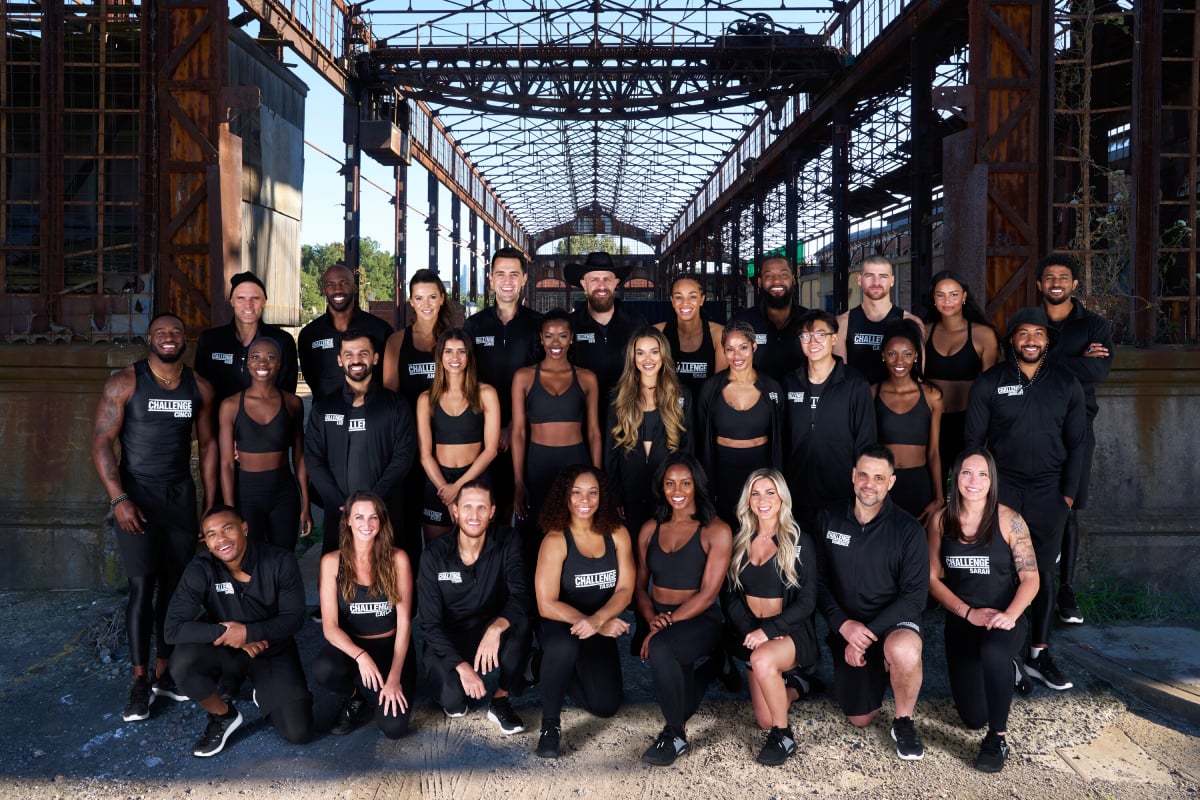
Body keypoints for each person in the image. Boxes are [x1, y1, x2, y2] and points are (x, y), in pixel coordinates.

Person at [91, 312, 218, 722]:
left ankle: (165, 672)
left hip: (179, 498)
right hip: (137, 499)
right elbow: (101, 444)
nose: (169, 337)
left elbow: (210, 446)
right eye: (161, 332)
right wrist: (119, 499)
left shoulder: (199, 387)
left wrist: (211, 503)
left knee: (176, 588)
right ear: (149, 338)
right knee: (142, 587)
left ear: (186, 340)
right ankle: (139, 680)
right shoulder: (125, 382)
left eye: (176, 332)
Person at [965, 307, 1087, 692]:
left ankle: (1039, 654)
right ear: (1011, 340)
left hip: (1049, 494)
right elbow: (972, 444)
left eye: (1038, 333)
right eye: (1023, 333)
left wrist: (1067, 497)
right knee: (1004, 573)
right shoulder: (990, 382)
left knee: (1042, 575)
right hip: (1004, 492)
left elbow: (1078, 444)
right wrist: (979, 494)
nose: (1031, 340)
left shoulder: (1066, 383)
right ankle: (1007, 656)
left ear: (1048, 340)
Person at [164, 505, 312, 757]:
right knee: (182, 662)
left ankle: (264, 689)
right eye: (211, 534)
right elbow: (173, 630)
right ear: (206, 542)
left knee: (298, 731)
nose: (220, 539)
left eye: (227, 529)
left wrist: (249, 632)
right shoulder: (201, 568)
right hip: (226, 648)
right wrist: (226, 633)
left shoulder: (279, 561)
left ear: (244, 528)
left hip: (271, 649)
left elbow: (294, 619)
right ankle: (223, 715)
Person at [926, 448, 1040, 773]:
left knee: (993, 653)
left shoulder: (1009, 520)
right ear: (955, 477)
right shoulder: (940, 519)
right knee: (973, 718)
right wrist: (966, 612)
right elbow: (931, 579)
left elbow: (1031, 578)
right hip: (962, 621)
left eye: (982, 474)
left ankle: (997, 740)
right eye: (966, 473)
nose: (973, 481)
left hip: (1003, 619)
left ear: (992, 480)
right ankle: (1009, 671)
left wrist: (1011, 615)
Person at [816, 446, 929, 760]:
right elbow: (819, 584)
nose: (869, 483)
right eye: (863, 475)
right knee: (859, 718)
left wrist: (866, 635)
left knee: (904, 651)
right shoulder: (828, 517)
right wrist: (843, 625)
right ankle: (880, 666)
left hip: (892, 625)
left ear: (890, 482)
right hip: (848, 627)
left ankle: (903, 721)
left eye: (879, 477)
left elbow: (914, 598)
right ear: (853, 476)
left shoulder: (908, 530)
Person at [635, 454, 733, 766]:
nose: (677, 490)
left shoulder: (715, 530)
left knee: (663, 650)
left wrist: (664, 626)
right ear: (661, 487)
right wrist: (652, 620)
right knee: (683, 701)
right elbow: (639, 588)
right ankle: (715, 666)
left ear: (697, 486)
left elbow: (707, 595)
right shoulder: (650, 529)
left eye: (685, 483)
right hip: (661, 620)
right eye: (670, 483)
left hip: (699, 620)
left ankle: (675, 736)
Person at [533, 466, 635, 758]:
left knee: (605, 706)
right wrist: (597, 625)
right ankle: (550, 725)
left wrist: (598, 620)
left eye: (592, 492)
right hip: (560, 622)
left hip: (596, 619)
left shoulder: (617, 534)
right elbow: (546, 604)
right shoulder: (555, 540)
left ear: (602, 497)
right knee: (564, 647)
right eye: (576, 492)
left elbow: (625, 590)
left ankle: (546, 668)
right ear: (565, 497)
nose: (585, 499)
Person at [417, 481, 533, 735]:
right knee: (453, 702)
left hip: (490, 629)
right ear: (455, 511)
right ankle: (457, 684)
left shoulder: (508, 540)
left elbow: (521, 595)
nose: (474, 515)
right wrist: (461, 666)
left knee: (521, 621)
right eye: (467, 507)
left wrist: (496, 628)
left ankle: (501, 699)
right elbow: (429, 624)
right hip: (450, 636)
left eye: (482, 508)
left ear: (492, 512)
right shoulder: (434, 556)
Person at [1036, 254, 1114, 625]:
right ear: (1039, 284)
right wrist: (1074, 360)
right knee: (1029, 508)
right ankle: (1032, 588)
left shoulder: (1094, 325)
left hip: (1077, 427)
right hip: (1031, 424)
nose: (1056, 283)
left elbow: (1098, 369)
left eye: (1063, 277)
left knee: (1068, 508)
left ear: (1074, 285)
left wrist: (1046, 359)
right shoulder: (1028, 322)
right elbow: (1015, 362)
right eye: (1049, 277)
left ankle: (1066, 592)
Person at [724, 469, 818, 767]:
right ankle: (799, 686)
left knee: (764, 663)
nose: (762, 500)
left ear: (782, 497)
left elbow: (807, 601)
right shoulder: (738, 539)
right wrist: (754, 631)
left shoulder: (798, 541)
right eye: (755, 493)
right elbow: (729, 597)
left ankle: (784, 736)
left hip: (790, 634)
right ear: (747, 499)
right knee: (764, 719)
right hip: (755, 635)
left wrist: (771, 629)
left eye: (770, 492)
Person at [304, 329, 416, 562]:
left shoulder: (395, 406)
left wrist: (372, 502)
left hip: (386, 509)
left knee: (392, 577)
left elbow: (403, 457)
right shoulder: (324, 408)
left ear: (375, 358)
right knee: (338, 578)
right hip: (340, 513)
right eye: (349, 354)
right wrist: (342, 505)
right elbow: (314, 459)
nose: (356, 360)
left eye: (363, 353)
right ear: (339, 359)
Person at [312, 492, 415, 739]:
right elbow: (330, 627)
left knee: (394, 728)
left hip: (391, 647)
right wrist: (361, 655)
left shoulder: (398, 559)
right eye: (359, 517)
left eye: (373, 518)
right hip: (353, 646)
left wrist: (394, 678)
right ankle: (355, 698)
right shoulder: (331, 562)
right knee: (324, 669)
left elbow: (404, 625)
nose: (366, 525)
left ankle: (387, 686)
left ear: (381, 521)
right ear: (347, 520)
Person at [511, 309, 602, 559]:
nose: (555, 343)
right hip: (537, 464)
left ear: (571, 338)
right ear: (540, 338)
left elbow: (594, 432)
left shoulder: (586, 378)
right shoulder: (524, 377)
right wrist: (519, 481)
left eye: (562, 336)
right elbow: (518, 432)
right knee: (534, 536)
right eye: (549, 336)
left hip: (576, 461)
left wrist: (597, 478)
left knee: (575, 532)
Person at [464, 247, 543, 519]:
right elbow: (466, 380)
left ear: (524, 279)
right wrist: (494, 427)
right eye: (500, 274)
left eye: (513, 274)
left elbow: (545, 382)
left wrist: (514, 425)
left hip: (529, 434)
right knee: (488, 511)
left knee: (525, 510)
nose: (507, 280)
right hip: (483, 435)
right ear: (490, 278)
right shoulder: (473, 326)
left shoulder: (538, 326)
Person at [782, 310, 876, 533]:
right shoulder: (789, 383)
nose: (812, 342)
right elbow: (782, 438)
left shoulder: (855, 383)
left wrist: (861, 488)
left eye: (820, 335)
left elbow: (866, 441)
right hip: (797, 493)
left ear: (834, 338)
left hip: (840, 492)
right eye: (806, 336)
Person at [218, 337, 311, 551]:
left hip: (283, 492)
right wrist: (231, 510)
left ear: (279, 363)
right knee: (251, 558)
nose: (263, 363)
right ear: (247, 362)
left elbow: (299, 456)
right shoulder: (230, 405)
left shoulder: (292, 403)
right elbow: (226, 464)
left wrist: (305, 502)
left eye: (270, 357)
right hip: (247, 494)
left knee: (284, 557)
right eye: (256, 357)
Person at [605, 326, 693, 537]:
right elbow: (611, 453)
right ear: (632, 358)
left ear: (663, 355)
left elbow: (688, 450)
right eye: (640, 352)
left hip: (669, 495)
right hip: (629, 494)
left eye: (654, 351)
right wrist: (614, 496)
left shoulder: (681, 396)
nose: (648, 359)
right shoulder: (618, 398)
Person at [694, 320, 783, 527]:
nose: (737, 356)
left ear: (754, 346)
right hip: (723, 469)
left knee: (757, 526)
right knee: (725, 526)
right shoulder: (711, 389)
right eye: (730, 349)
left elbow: (782, 437)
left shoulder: (772, 388)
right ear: (723, 351)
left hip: (760, 469)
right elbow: (699, 437)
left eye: (743, 347)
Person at [416, 329, 501, 543]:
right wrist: (446, 492)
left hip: (475, 478)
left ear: (469, 356)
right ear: (440, 356)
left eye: (461, 352)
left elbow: (491, 450)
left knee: (479, 551)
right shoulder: (426, 399)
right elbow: (425, 455)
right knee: (437, 550)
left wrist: (459, 488)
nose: (455, 358)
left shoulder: (486, 394)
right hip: (438, 483)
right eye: (449, 352)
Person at [921, 270, 1000, 482]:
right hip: (930, 420)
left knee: (965, 482)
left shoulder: (983, 334)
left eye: (953, 294)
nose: (947, 301)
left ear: (964, 296)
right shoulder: (923, 332)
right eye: (940, 295)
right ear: (933, 298)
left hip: (968, 421)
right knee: (930, 484)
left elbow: (991, 388)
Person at [872, 320, 945, 520]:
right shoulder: (871, 393)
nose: (899, 362)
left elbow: (934, 452)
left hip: (918, 484)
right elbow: (865, 448)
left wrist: (939, 497)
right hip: (883, 484)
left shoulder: (932, 396)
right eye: (892, 354)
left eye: (907, 354)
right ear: (883, 355)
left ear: (915, 357)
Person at [196, 271, 299, 406]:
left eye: (255, 298)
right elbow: (201, 390)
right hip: (219, 424)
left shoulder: (282, 341)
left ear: (264, 302)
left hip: (265, 424)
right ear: (231, 301)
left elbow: (287, 393)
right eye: (241, 298)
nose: (248, 305)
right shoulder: (210, 340)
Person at [565, 251, 648, 411]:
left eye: (606, 279)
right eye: (594, 279)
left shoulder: (636, 323)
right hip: (582, 415)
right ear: (584, 284)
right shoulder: (571, 325)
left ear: (616, 282)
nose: (601, 286)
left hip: (627, 414)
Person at [298, 261, 393, 401]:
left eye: (344, 283)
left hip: (372, 415)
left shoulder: (380, 329)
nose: (337, 289)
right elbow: (312, 379)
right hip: (326, 416)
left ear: (355, 288)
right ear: (323, 290)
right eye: (330, 284)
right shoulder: (310, 334)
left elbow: (388, 378)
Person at [834, 255, 923, 386]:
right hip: (857, 401)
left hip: (896, 403)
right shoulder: (843, 322)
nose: (876, 282)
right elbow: (841, 377)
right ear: (859, 280)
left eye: (883, 276)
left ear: (892, 281)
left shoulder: (911, 322)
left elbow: (918, 377)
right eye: (869, 276)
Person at [382, 268, 454, 409]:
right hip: (408, 425)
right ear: (412, 302)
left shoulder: (455, 340)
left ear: (441, 299)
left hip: (448, 426)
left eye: (432, 297)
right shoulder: (396, 341)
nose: (426, 304)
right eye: (419, 298)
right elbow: (390, 395)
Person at [730, 254, 808, 381]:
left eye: (784, 275)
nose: (777, 281)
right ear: (760, 282)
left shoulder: (810, 321)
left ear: (793, 279)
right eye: (769, 276)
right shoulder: (741, 323)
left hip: (802, 399)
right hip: (755, 399)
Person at [654, 274, 727, 397]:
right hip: (668, 410)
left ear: (702, 299)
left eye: (692, 297)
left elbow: (719, 386)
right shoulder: (657, 332)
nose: (685, 303)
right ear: (672, 301)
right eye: (678, 297)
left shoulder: (718, 334)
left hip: (706, 409)